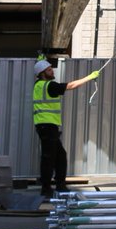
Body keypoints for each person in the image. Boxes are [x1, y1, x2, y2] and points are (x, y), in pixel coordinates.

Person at [32, 58, 99, 198]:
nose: (52, 71)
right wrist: (89, 77)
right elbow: (70, 86)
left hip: (47, 126)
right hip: (47, 126)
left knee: (59, 156)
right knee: (49, 157)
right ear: (43, 73)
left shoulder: (39, 85)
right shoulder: (48, 85)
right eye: (49, 69)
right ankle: (47, 188)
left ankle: (59, 185)